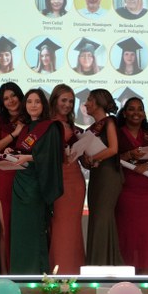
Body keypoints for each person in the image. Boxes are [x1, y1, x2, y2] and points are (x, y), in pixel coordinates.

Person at [8, 88, 64, 274]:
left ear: (44, 105)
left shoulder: (51, 127)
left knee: (34, 231)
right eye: (29, 101)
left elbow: (51, 156)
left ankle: (36, 274)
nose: (33, 105)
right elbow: (24, 152)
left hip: (36, 184)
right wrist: (11, 153)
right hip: (20, 184)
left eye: (37, 101)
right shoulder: (25, 128)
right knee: (20, 232)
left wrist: (29, 158)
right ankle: (19, 275)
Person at [116, 97, 148, 273]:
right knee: (129, 235)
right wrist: (129, 154)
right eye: (131, 109)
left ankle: (147, 276)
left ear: (144, 114)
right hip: (127, 191)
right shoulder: (117, 133)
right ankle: (128, 275)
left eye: (140, 109)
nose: (135, 113)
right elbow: (111, 159)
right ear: (124, 113)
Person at [83, 89, 124, 265]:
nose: (86, 104)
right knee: (96, 218)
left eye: (89, 100)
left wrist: (94, 157)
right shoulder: (90, 129)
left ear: (98, 102)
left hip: (109, 175)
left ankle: (105, 263)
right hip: (96, 175)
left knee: (103, 218)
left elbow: (113, 149)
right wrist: (86, 160)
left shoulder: (109, 122)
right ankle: (98, 262)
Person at [48, 84, 86, 274]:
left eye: (71, 101)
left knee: (73, 230)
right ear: (54, 100)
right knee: (60, 229)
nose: (68, 104)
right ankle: (60, 272)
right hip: (58, 180)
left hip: (76, 181)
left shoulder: (73, 126)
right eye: (64, 100)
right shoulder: (46, 124)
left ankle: (74, 273)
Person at [0, 82, 24, 273]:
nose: (10, 101)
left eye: (13, 96)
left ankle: (22, 272)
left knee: (21, 228)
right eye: (6, 98)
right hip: (3, 176)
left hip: (25, 177)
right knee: (4, 228)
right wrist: (14, 134)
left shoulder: (30, 119)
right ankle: (5, 273)